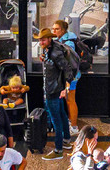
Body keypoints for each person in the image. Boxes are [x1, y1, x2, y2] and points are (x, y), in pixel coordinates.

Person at [36, 27, 77, 159]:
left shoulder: (55, 53)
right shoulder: (52, 48)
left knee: (56, 121)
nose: (41, 42)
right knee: (62, 115)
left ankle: (58, 150)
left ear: (49, 39)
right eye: (40, 40)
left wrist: (66, 88)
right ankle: (66, 140)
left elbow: (67, 69)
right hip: (56, 88)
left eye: (43, 40)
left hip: (53, 90)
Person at [52, 19, 83, 134]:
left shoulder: (68, 43)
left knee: (70, 100)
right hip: (69, 76)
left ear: (63, 30)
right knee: (68, 100)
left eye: (57, 29)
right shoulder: (65, 39)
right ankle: (71, 121)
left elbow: (68, 62)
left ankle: (74, 127)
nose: (54, 31)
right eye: (53, 29)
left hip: (71, 77)